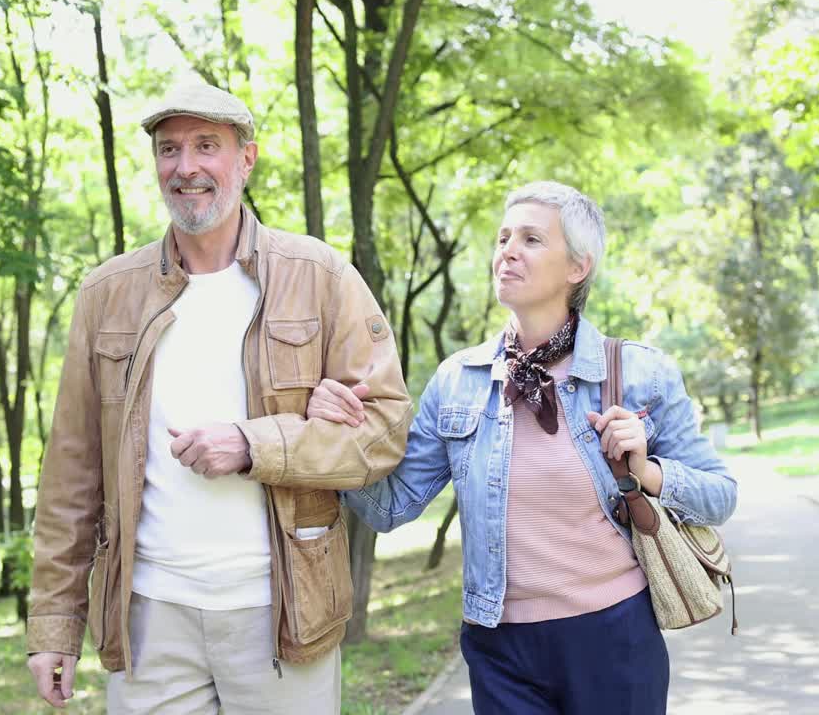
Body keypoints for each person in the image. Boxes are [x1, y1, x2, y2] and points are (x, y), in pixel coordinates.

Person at [25, 81, 411, 714]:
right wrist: (54, 625)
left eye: (208, 146)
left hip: (283, 615)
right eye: (170, 149)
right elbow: (72, 471)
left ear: (246, 159)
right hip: (150, 618)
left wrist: (255, 443)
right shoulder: (107, 294)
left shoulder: (319, 277)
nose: (187, 167)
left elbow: (386, 429)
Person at [306, 181, 738, 714]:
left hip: (613, 635)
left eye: (531, 239)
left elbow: (720, 495)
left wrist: (648, 471)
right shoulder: (457, 380)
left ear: (577, 267)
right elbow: (391, 507)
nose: (507, 250)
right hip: (499, 646)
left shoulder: (640, 372)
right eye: (504, 237)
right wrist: (332, 435)